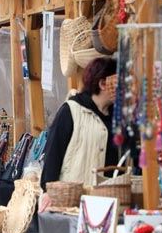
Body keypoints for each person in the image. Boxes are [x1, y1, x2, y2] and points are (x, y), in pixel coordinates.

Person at [40, 57, 119, 190]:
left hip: (109, 199)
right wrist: (48, 191)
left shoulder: (117, 118)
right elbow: (53, 155)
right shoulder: (71, 111)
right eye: (118, 81)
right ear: (103, 84)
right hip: (73, 200)